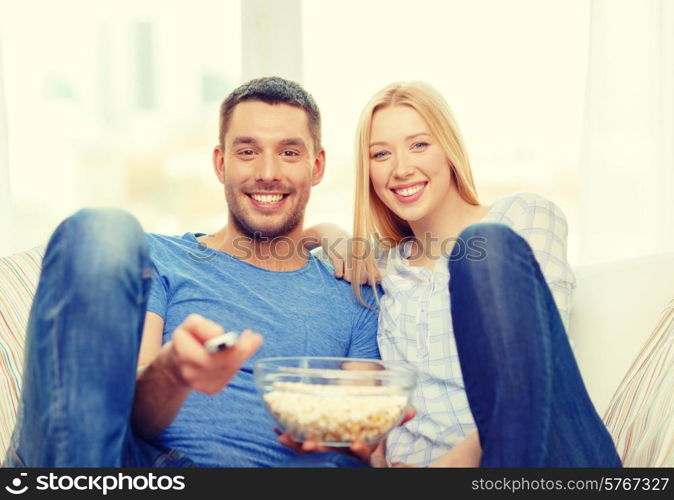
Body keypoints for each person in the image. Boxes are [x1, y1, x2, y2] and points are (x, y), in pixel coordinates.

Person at [2, 77, 388, 468]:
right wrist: (173, 372)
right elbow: (133, 418)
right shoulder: (161, 259)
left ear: (316, 166)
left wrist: (349, 440)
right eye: (248, 151)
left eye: (289, 152)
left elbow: (355, 432)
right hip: (132, 464)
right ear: (221, 163)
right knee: (103, 228)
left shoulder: (355, 293)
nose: (268, 172)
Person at [308, 81, 622, 467]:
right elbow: (277, 245)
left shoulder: (522, 217)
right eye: (380, 154)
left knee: (483, 244)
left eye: (419, 144)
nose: (402, 168)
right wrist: (326, 231)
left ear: (449, 149)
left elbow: (539, 373)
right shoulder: (381, 267)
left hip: (549, 455)